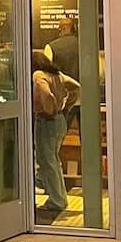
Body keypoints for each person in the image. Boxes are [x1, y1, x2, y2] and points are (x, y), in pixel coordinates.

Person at [32, 49, 80, 222]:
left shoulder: (38, 75)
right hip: (60, 120)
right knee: (54, 160)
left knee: (47, 161)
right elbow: (76, 87)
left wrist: (50, 108)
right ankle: (60, 197)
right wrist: (67, 105)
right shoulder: (57, 74)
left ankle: (56, 200)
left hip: (47, 121)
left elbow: (45, 93)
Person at [45, 15, 80, 83]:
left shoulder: (50, 47)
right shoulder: (85, 46)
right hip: (83, 89)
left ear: (61, 29)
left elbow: (46, 73)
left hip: (60, 91)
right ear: (74, 29)